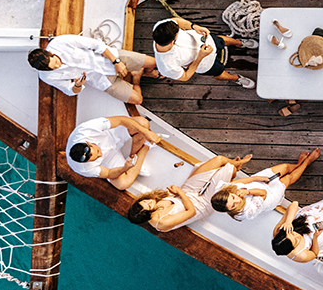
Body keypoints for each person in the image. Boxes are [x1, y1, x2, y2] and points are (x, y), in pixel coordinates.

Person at [127, 153, 251, 232]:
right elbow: (191, 212)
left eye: (144, 200)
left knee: (219, 160)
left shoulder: (152, 203)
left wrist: (173, 192)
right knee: (229, 169)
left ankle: (237, 165)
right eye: (149, 205)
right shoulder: (163, 222)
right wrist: (180, 192)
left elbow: (174, 199)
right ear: (149, 214)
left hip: (188, 191)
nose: (149, 201)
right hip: (202, 205)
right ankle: (235, 168)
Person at [27, 35, 156, 106]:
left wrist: (116, 62)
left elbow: (96, 44)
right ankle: (136, 77)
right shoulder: (46, 77)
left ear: (50, 52)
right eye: (53, 68)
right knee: (138, 100)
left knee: (153, 63)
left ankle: (146, 71)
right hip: (102, 81)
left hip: (110, 59)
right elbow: (68, 90)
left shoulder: (59, 42)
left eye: (55, 62)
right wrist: (77, 85)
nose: (58, 66)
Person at [151, 15, 258, 89]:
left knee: (221, 40)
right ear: (171, 42)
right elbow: (185, 76)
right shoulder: (166, 66)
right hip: (205, 64)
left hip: (207, 40)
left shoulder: (160, 27)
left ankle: (240, 43)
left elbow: (177, 21)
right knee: (219, 73)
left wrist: (194, 27)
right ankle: (236, 78)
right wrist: (200, 57)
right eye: (177, 34)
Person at [214, 148, 321, 222]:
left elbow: (239, 182)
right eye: (233, 205)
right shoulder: (247, 212)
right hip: (268, 196)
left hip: (255, 183)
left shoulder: (221, 190)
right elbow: (263, 193)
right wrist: (247, 192)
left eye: (233, 197)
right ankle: (307, 162)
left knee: (284, 167)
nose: (238, 200)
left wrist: (256, 178)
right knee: (289, 178)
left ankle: (298, 164)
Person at [65, 114, 162, 191]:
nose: (100, 154)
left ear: (88, 142)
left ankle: (133, 155)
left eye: (98, 151)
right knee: (123, 184)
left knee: (143, 123)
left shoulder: (85, 130)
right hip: (108, 159)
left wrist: (147, 132)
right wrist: (124, 168)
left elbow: (121, 120)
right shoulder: (84, 169)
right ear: (87, 162)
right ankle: (145, 147)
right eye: (97, 157)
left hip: (112, 134)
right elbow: (108, 173)